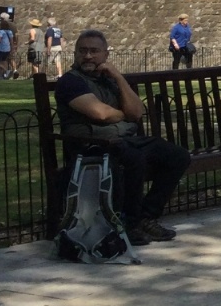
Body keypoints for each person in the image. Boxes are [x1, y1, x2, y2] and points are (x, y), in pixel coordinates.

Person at [54, 30, 190, 243]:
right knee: (134, 158)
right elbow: (100, 114)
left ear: (105, 55)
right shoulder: (70, 82)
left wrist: (118, 77)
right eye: (82, 51)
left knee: (177, 155)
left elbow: (137, 112)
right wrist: (122, 114)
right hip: (90, 146)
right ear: (75, 54)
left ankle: (147, 217)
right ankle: (130, 224)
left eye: (94, 51)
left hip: (122, 140)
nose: (88, 56)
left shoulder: (110, 81)